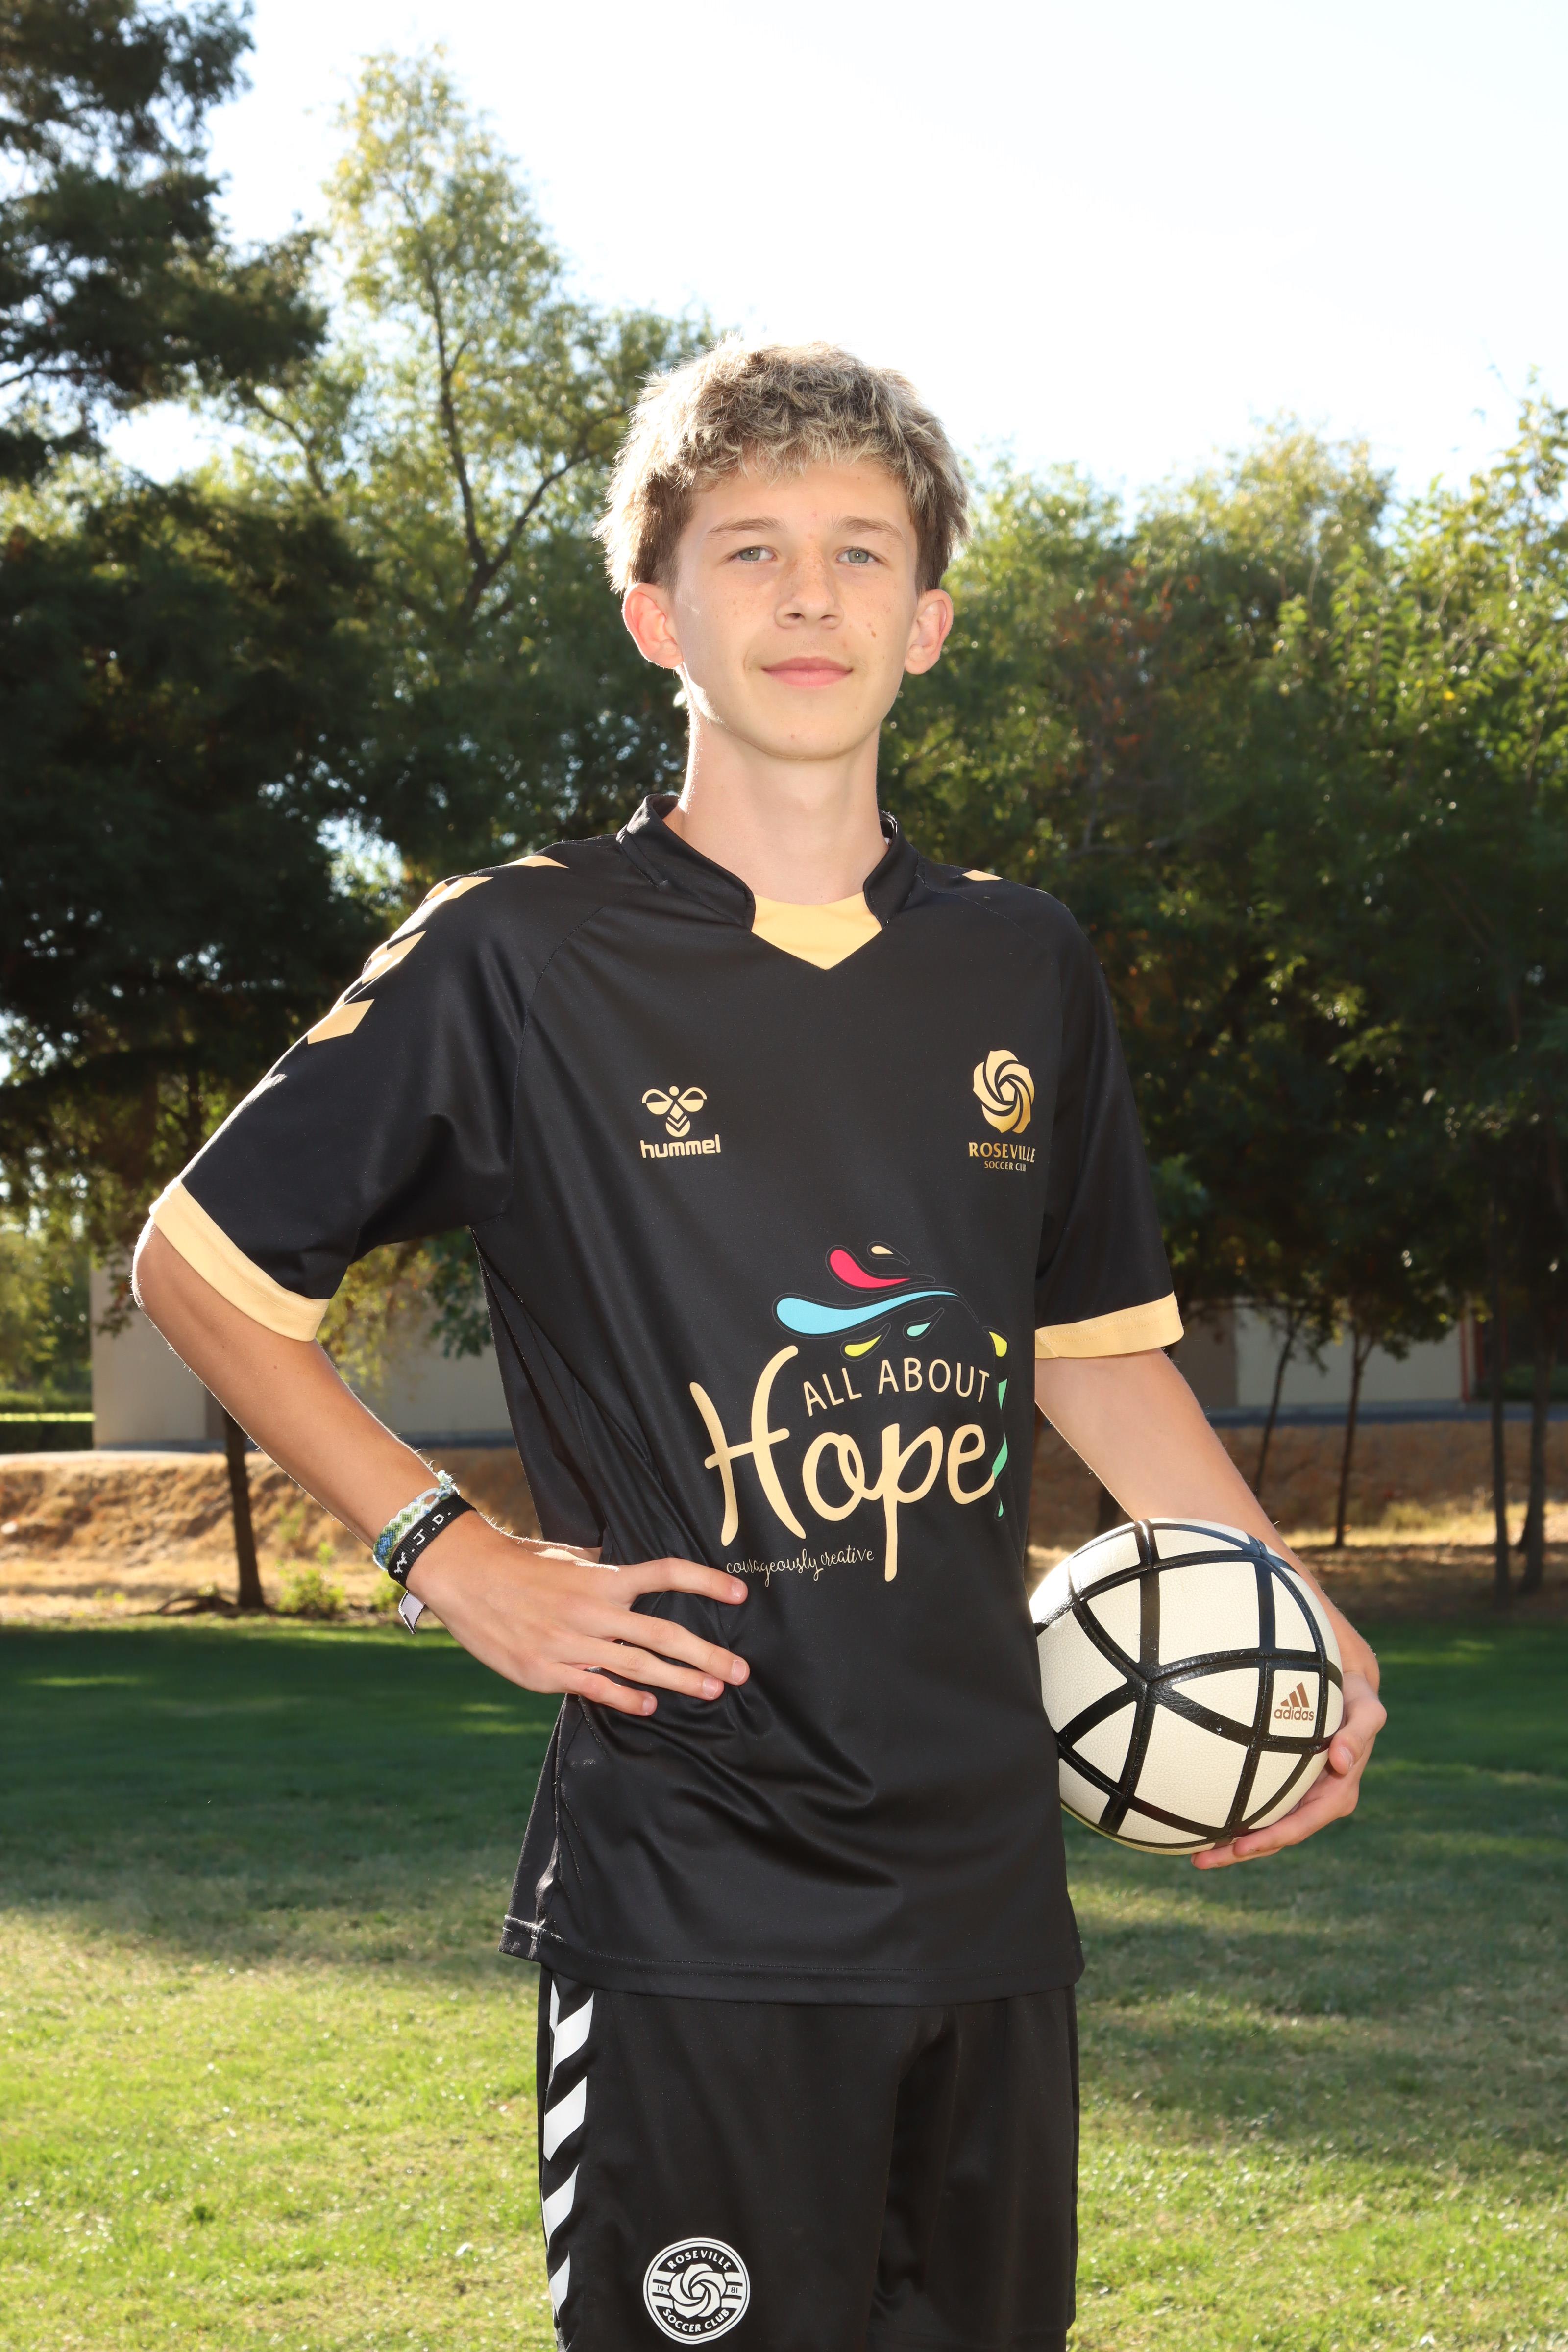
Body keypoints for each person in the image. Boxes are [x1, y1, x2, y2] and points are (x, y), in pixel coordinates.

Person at [133, 340, 1385, 2352]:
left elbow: (1088, 1349)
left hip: (988, 1889)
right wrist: (449, 1554)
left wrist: (1283, 1616)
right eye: (751, 550)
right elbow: (197, 1267)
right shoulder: (518, 951)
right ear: (657, 615)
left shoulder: (1022, 962)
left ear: (928, 621)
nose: (810, 595)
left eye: (860, 551)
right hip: (693, 1892)